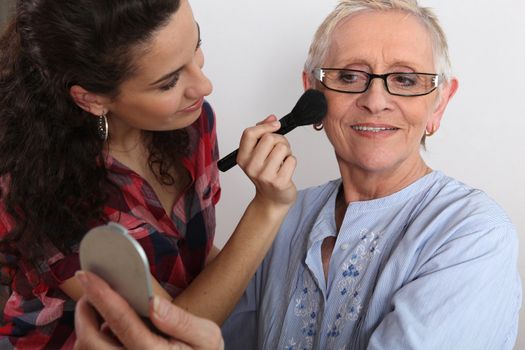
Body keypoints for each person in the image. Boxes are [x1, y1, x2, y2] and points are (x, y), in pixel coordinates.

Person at [221, 0, 521, 349]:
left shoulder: (473, 233)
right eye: (349, 76)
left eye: (406, 79)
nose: (375, 101)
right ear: (312, 94)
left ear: (439, 104)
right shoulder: (279, 216)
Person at [0, 0, 296, 348]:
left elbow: (187, 259)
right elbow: (170, 336)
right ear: (92, 98)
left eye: (196, 45)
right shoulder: (41, 189)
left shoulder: (193, 123)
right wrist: (267, 209)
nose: (204, 86)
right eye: (169, 81)